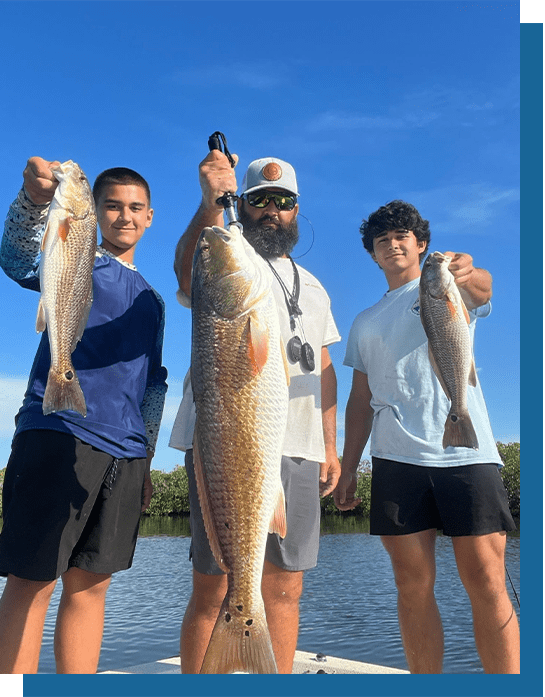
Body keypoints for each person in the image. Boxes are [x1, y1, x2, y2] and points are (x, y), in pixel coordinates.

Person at [170, 150, 341, 673]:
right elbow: (188, 268)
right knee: (213, 584)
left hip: (299, 445)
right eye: (260, 200)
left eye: (283, 201)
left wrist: (330, 446)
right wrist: (209, 208)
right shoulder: (224, 250)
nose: (272, 210)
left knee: (286, 587)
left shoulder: (312, 285)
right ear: (241, 205)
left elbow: (326, 365)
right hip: (225, 440)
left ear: (296, 210)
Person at [334, 200, 519, 674]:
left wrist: (464, 269)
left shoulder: (446, 285)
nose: (392, 245)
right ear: (373, 255)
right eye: (381, 241)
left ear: (421, 245)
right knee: (412, 586)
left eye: (401, 236)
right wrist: (349, 466)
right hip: (396, 459)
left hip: (468, 455)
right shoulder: (364, 321)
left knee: (488, 583)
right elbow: (359, 401)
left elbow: (483, 286)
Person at [0, 157, 168, 674]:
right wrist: (31, 201)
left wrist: (147, 454)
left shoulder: (154, 301)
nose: (124, 216)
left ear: (150, 217)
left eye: (135, 208)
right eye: (112, 206)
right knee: (32, 581)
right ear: (91, 211)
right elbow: (17, 258)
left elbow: (153, 384)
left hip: (126, 452)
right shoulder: (76, 255)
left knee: (91, 585)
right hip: (56, 430)